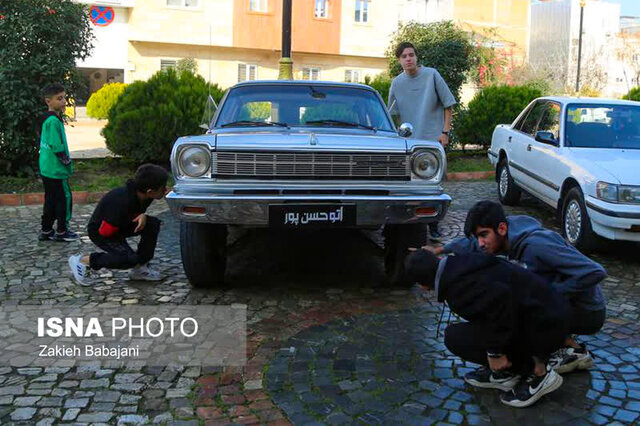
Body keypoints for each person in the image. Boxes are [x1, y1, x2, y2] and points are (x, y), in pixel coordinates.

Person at [427, 200, 606, 374]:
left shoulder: (538, 246)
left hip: (587, 312)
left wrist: (550, 294)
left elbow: (594, 272)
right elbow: (472, 243)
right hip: (559, 305)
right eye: (477, 237)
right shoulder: (502, 235)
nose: (480, 243)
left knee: (507, 306)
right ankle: (559, 342)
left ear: (502, 229)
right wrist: (440, 250)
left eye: (483, 235)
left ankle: (536, 363)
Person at [405, 248, 570, 408]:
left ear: (423, 286)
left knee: (455, 337)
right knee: (474, 329)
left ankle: (538, 372)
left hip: (545, 325)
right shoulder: (462, 262)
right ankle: (512, 370)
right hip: (551, 312)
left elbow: (502, 307)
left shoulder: (458, 289)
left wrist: (495, 353)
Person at [388, 41, 456, 243]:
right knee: (410, 186)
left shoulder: (432, 75)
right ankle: (410, 223)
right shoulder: (396, 83)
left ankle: (434, 226)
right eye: (404, 56)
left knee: (433, 186)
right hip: (408, 143)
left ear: (416, 57)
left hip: (432, 141)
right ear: (399, 60)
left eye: (411, 55)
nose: (408, 59)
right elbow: (390, 114)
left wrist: (445, 132)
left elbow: (448, 104)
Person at [68, 164, 169, 286]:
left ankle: (140, 269)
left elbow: (136, 212)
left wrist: (143, 215)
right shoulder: (121, 201)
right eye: (163, 188)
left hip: (120, 224)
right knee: (128, 259)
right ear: (150, 191)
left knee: (152, 224)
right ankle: (84, 261)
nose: (165, 190)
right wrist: (126, 253)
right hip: (102, 231)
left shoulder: (144, 195)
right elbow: (107, 232)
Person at [38, 83, 79, 242]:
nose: (63, 102)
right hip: (56, 169)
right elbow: (56, 145)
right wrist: (66, 161)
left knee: (50, 199)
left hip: (46, 168)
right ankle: (62, 231)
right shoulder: (54, 121)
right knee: (64, 198)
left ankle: (46, 230)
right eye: (59, 98)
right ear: (48, 101)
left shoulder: (45, 119)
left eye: (64, 98)